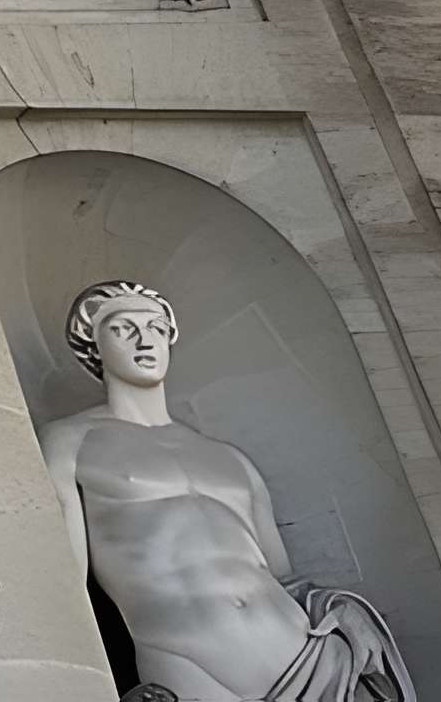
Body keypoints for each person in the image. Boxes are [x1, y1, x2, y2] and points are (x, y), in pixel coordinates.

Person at [40, 279, 412, 702]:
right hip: (193, 672)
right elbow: (64, 585)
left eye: (157, 328)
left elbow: (282, 577)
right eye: (123, 328)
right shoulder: (69, 441)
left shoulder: (230, 458)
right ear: (94, 345)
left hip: (312, 659)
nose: (145, 339)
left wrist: (341, 610)